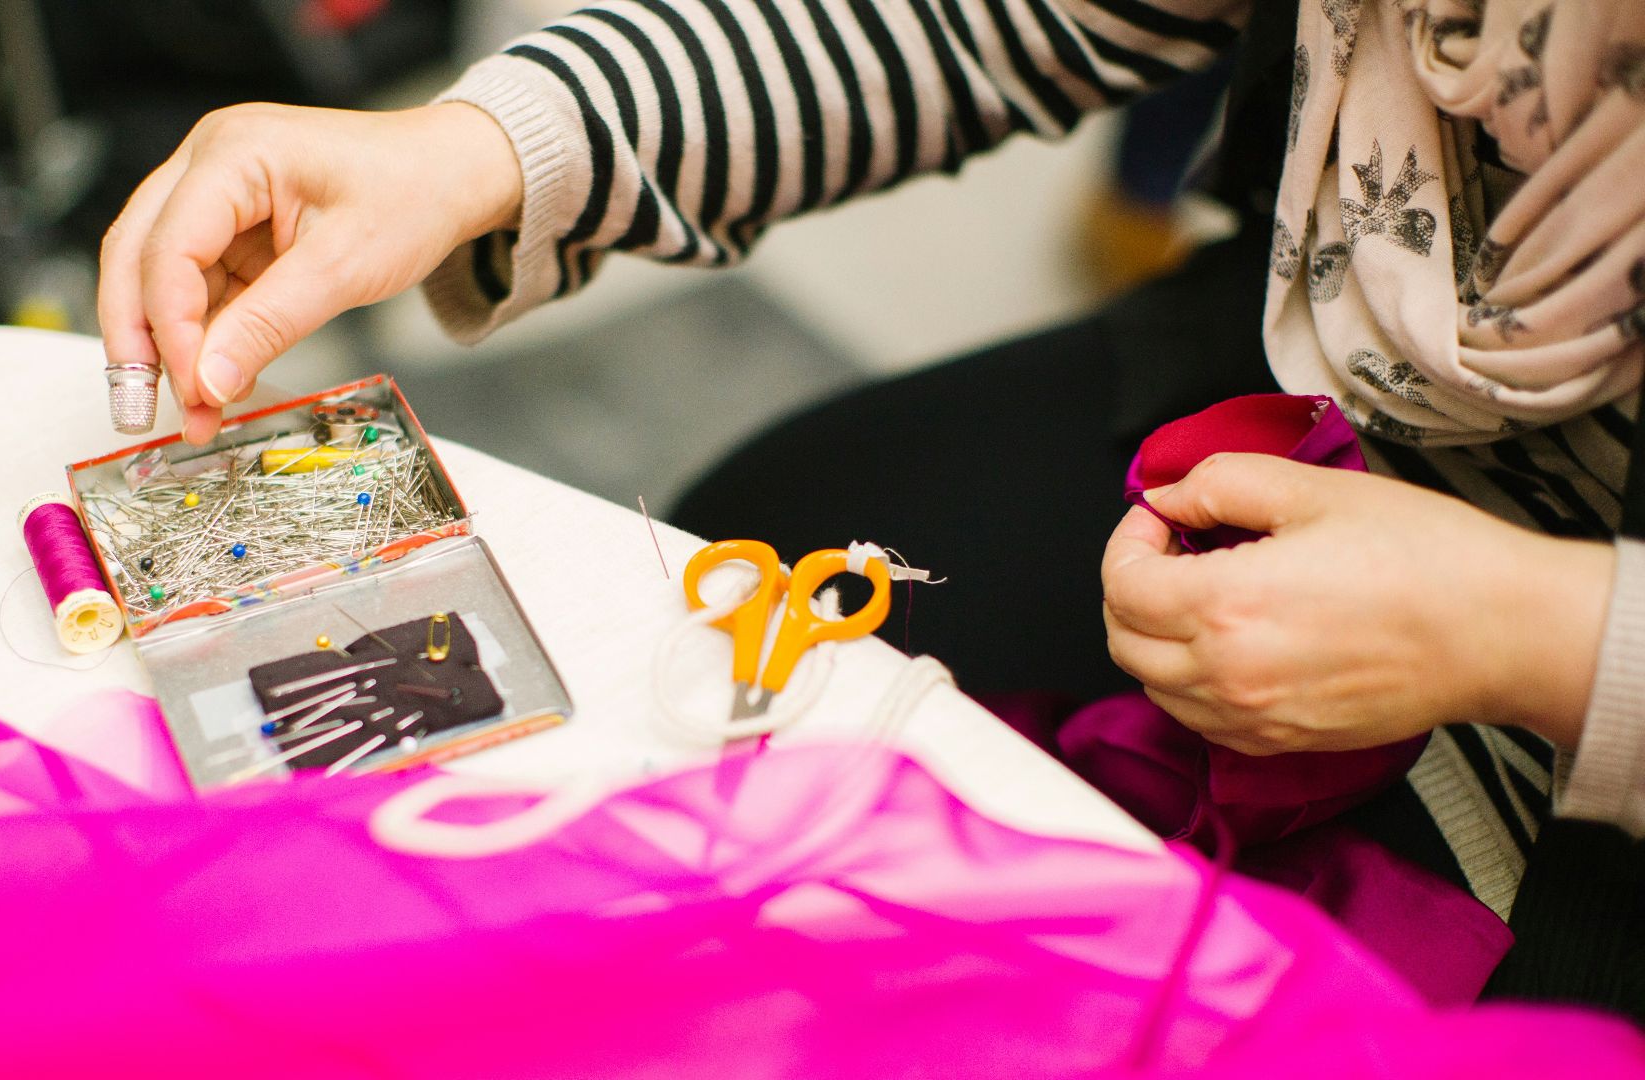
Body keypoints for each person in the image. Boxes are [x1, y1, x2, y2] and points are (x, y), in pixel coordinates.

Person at [98, 0, 1645, 1007]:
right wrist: (481, 147)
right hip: (1290, 411)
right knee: (732, 563)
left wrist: (1543, 633)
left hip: (1592, 746)